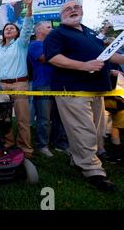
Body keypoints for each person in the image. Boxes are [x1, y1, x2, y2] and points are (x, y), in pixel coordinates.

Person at [44, 0, 124, 192]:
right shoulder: (57, 34)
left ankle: (77, 158)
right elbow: (53, 57)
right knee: (84, 131)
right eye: (67, 9)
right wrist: (84, 65)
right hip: (73, 90)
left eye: (76, 7)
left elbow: (108, 55)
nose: (73, 10)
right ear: (61, 15)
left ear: (82, 10)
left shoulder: (90, 33)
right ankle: (93, 171)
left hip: (96, 90)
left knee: (95, 132)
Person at [0, 0, 34, 158]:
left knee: (23, 119)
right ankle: (8, 143)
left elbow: (28, 27)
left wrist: (29, 8)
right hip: (2, 86)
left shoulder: (21, 44)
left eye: (12, 28)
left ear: (17, 32)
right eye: (6, 29)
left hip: (20, 85)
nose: (8, 29)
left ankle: (25, 149)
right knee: (4, 118)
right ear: (3, 33)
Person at [28, 21, 69, 157]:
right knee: (44, 118)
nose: (52, 29)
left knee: (60, 117)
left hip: (58, 84)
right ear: (39, 30)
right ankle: (42, 146)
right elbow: (46, 58)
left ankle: (60, 144)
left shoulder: (53, 45)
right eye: (49, 27)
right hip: (42, 85)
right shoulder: (35, 45)